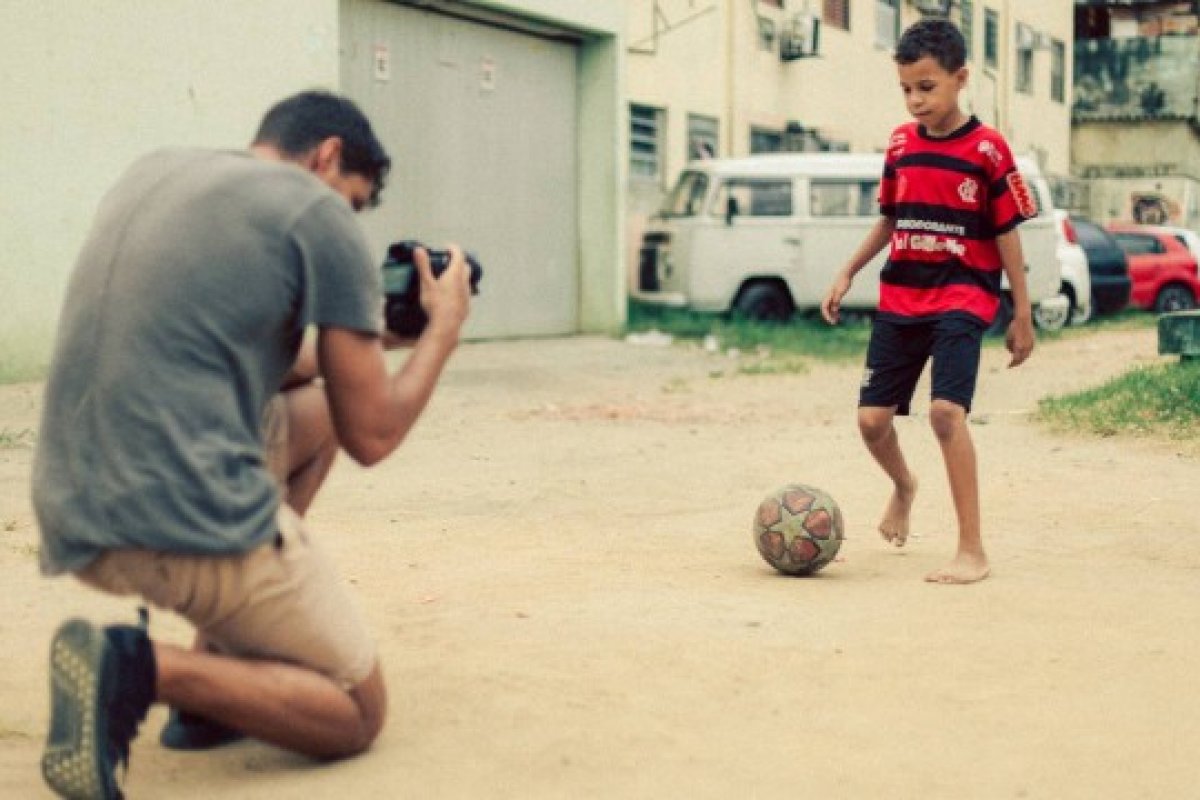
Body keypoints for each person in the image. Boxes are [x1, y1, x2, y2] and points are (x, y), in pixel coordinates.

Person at [33, 90, 473, 799]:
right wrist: (443, 330)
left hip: (74, 508)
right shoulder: (316, 213)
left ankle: (210, 693)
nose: (349, 218)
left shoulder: (157, 172)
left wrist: (375, 339)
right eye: (355, 202)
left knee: (326, 404)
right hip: (177, 518)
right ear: (328, 156)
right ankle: (142, 669)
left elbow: (275, 362)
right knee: (356, 709)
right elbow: (375, 433)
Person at [820, 18, 1036, 585]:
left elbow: (1009, 231)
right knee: (870, 422)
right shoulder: (899, 145)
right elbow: (891, 219)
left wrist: (1022, 311)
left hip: (963, 294)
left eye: (927, 87)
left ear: (960, 79)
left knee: (945, 414)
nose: (915, 100)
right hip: (901, 296)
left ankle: (972, 550)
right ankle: (904, 486)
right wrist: (847, 270)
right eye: (906, 89)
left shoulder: (989, 150)